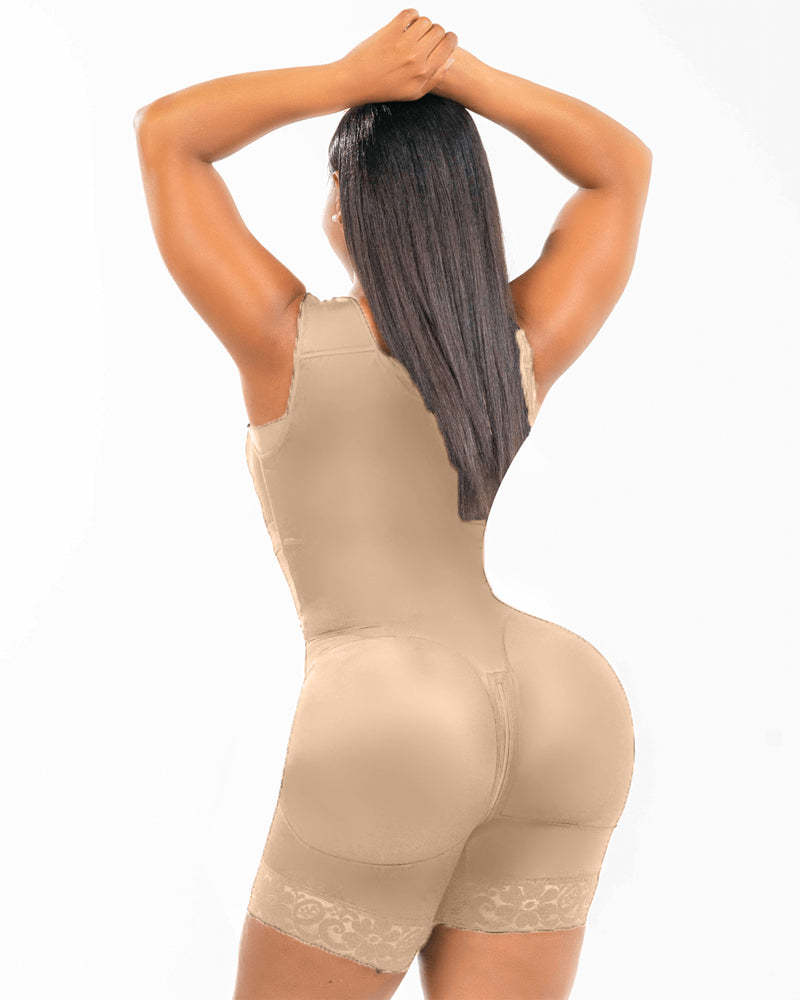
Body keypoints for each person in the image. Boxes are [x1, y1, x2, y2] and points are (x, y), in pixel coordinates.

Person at [134, 9, 651, 998]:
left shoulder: (279, 338)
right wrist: (461, 73)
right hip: (562, 701)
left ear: (347, 203)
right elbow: (618, 169)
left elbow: (168, 134)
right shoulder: (517, 343)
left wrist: (350, 78)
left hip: (389, 709)